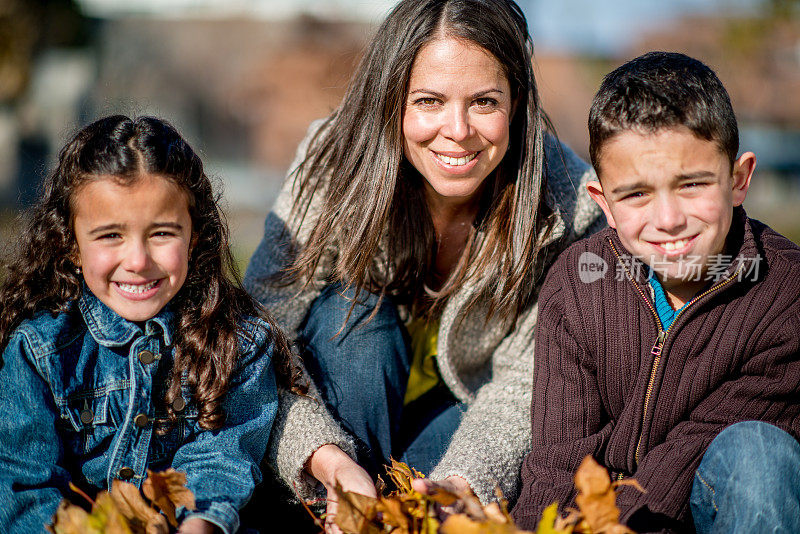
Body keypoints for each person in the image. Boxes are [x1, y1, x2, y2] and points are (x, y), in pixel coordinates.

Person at [244, 0, 603, 525]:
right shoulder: (332, 162)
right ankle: (328, 511)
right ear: (392, 100)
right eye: (429, 101)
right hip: (343, 400)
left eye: (484, 102)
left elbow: (527, 385)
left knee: (412, 506)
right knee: (353, 315)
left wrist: (457, 486)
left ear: (518, 100)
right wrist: (325, 457)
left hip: (466, 414)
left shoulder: (568, 204)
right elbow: (258, 335)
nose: (456, 130)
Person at [511, 52, 800, 533]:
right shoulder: (578, 284)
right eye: (636, 194)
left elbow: (685, 457)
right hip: (599, 521)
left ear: (738, 180)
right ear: (603, 202)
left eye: (692, 185)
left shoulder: (784, 292)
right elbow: (557, 464)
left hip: (710, 512)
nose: (668, 220)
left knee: (757, 456)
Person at [0, 115, 298, 534]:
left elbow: (221, 460)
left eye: (161, 233)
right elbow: (25, 487)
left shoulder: (238, 341)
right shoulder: (39, 351)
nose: (138, 261)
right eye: (109, 236)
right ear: (70, 243)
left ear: (194, 236)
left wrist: (198, 526)